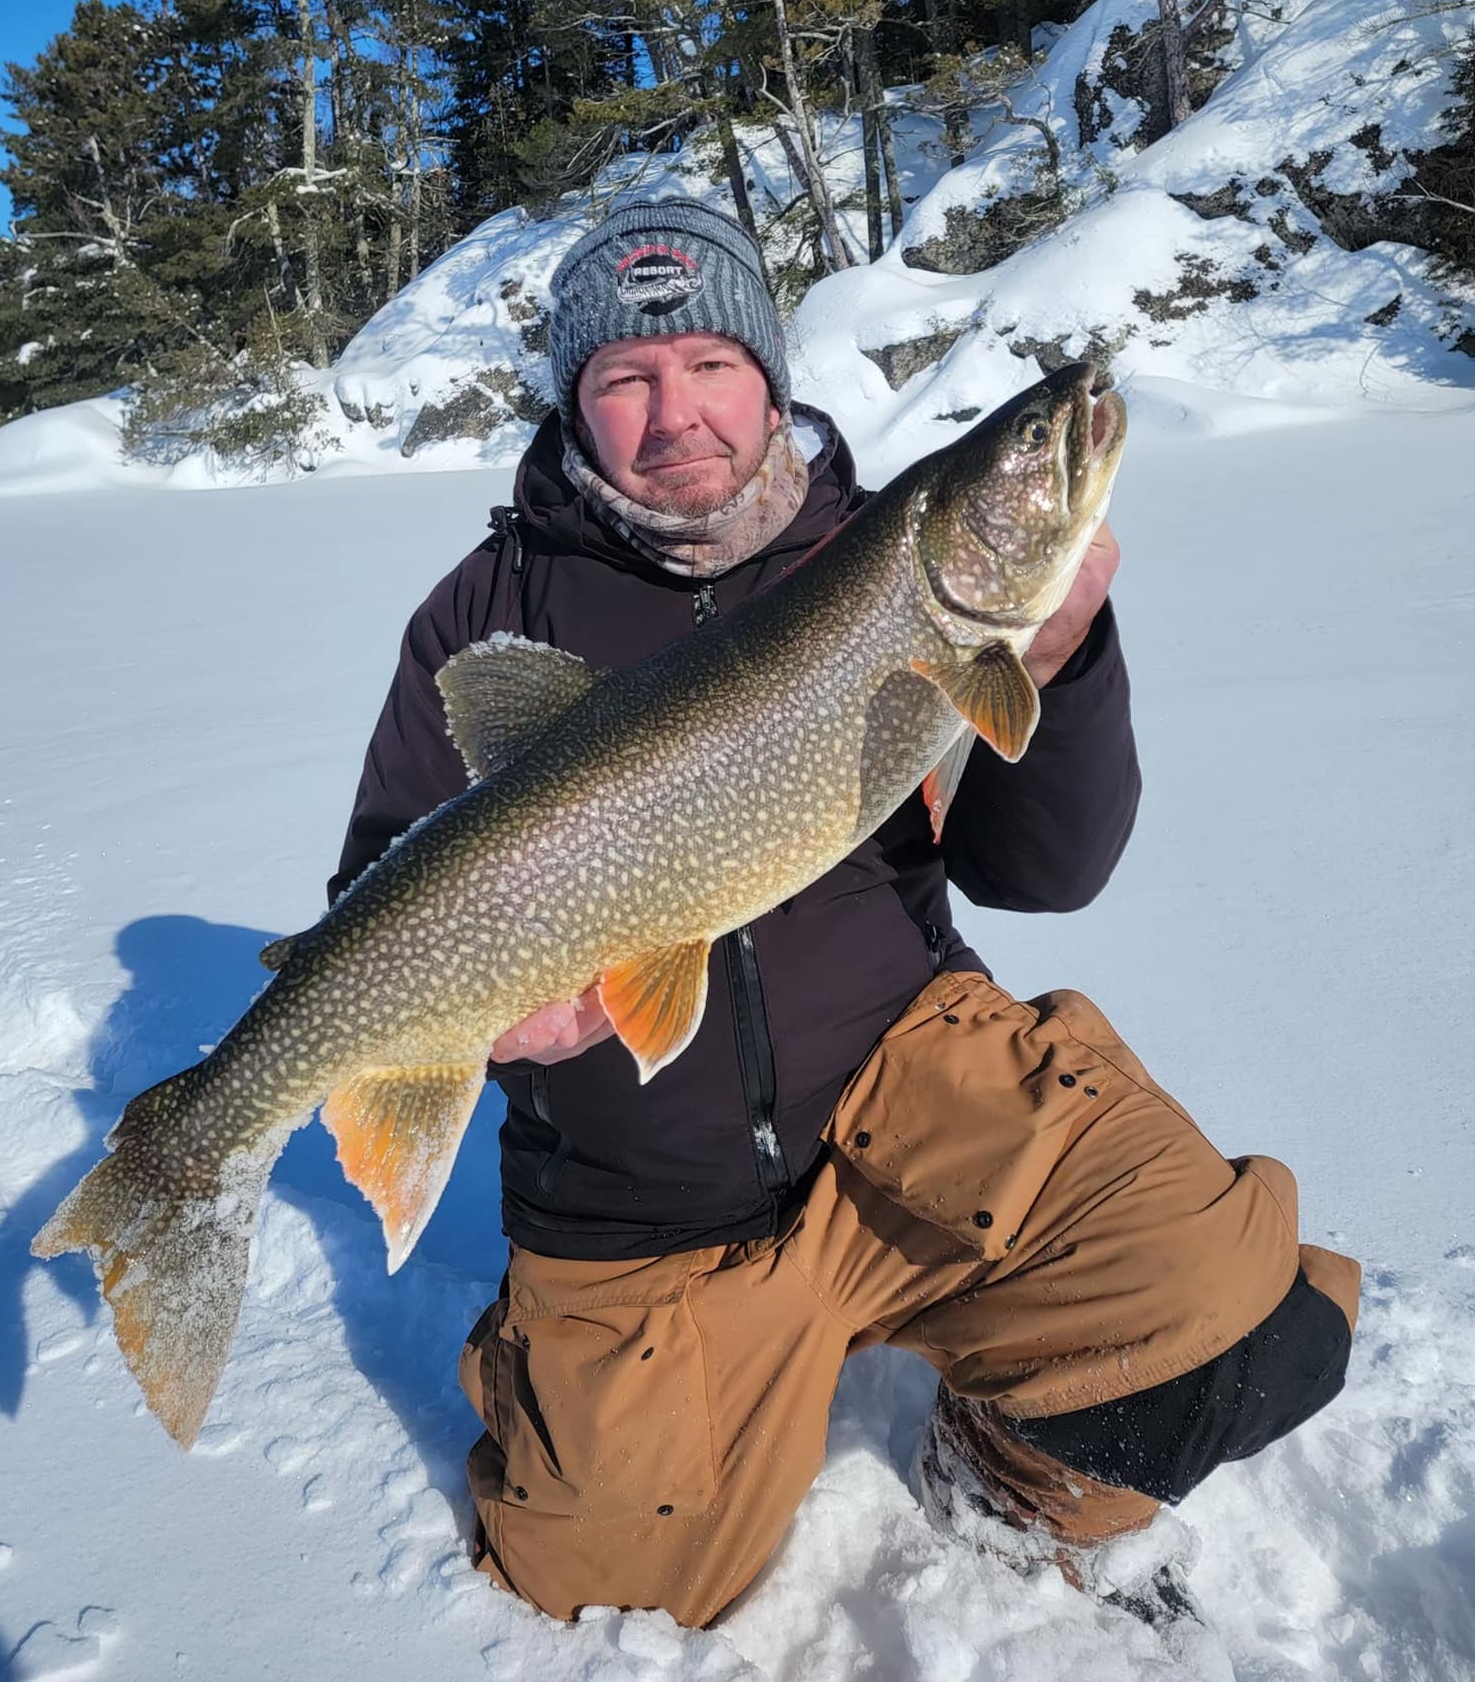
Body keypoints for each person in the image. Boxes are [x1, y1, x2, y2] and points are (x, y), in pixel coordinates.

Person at [331, 197, 1359, 1631]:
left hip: (909, 1082)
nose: (673, 411)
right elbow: (384, 880)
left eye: (708, 365)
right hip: (645, 1179)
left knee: (1235, 1321)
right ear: (576, 403)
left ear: (771, 377)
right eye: (625, 379)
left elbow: (1046, 872)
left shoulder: (876, 555)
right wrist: (500, 1018)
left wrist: (1058, 659)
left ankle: (1005, 1486)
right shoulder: (486, 616)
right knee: (613, 1585)